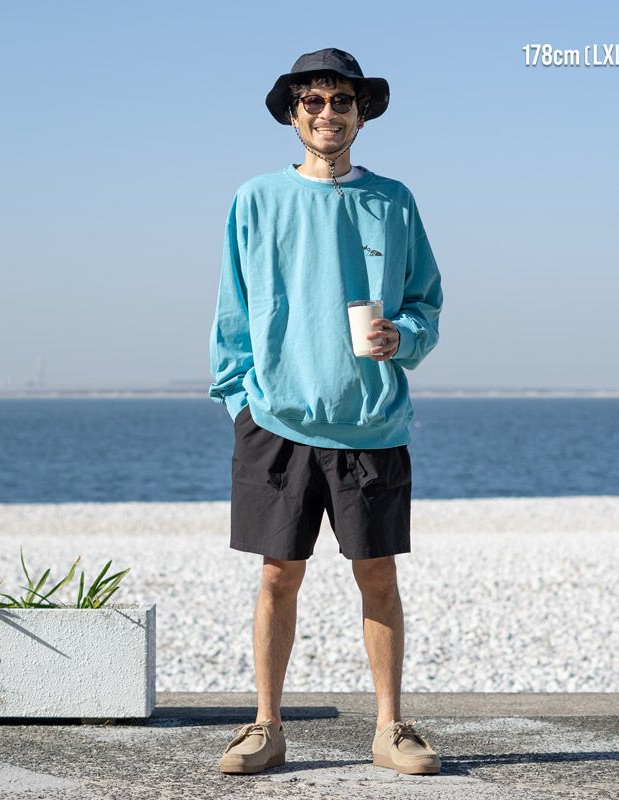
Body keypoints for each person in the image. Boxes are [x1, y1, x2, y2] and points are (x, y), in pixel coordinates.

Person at [208, 47, 443, 776]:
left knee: (378, 574)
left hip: (372, 422)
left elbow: (425, 302)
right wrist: (242, 402)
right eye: (313, 100)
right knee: (278, 576)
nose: (328, 113)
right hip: (276, 421)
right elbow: (232, 312)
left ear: (361, 113)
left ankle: (391, 730)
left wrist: (405, 337)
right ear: (293, 113)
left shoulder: (394, 200)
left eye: (342, 101)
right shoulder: (256, 198)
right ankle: (266, 727)